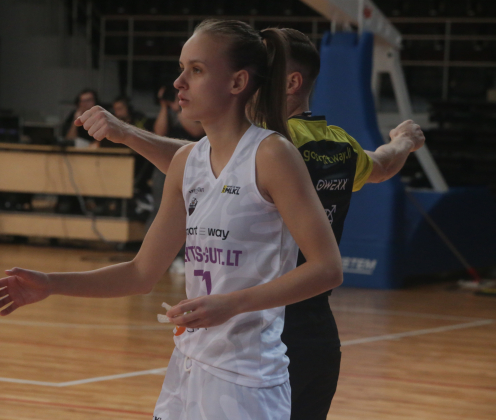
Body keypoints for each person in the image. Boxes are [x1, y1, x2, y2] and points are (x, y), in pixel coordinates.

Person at [0, 20, 344, 420]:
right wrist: (52, 283)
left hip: (248, 383)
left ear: (238, 81)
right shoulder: (186, 162)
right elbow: (141, 273)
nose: (179, 82)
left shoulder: (273, 154)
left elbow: (327, 268)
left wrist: (232, 304)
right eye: (181, 68)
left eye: (196, 70)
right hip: (185, 374)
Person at [74, 28, 426, 420]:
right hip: (312, 331)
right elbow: (383, 164)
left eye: (264, 70)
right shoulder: (338, 145)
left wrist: (126, 133)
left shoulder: (272, 148)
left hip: (261, 330)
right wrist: (404, 141)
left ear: (285, 82)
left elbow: (197, 163)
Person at [151, 85, 205, 274]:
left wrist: (178, 110)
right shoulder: (168, 111)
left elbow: (196, 131)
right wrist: (164, 106)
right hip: (166, 166)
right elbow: (159, 132)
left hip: (194, 167)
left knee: (188, 213)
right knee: (159, 210)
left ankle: (183, 256)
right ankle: (157, 258)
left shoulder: (194, 109)